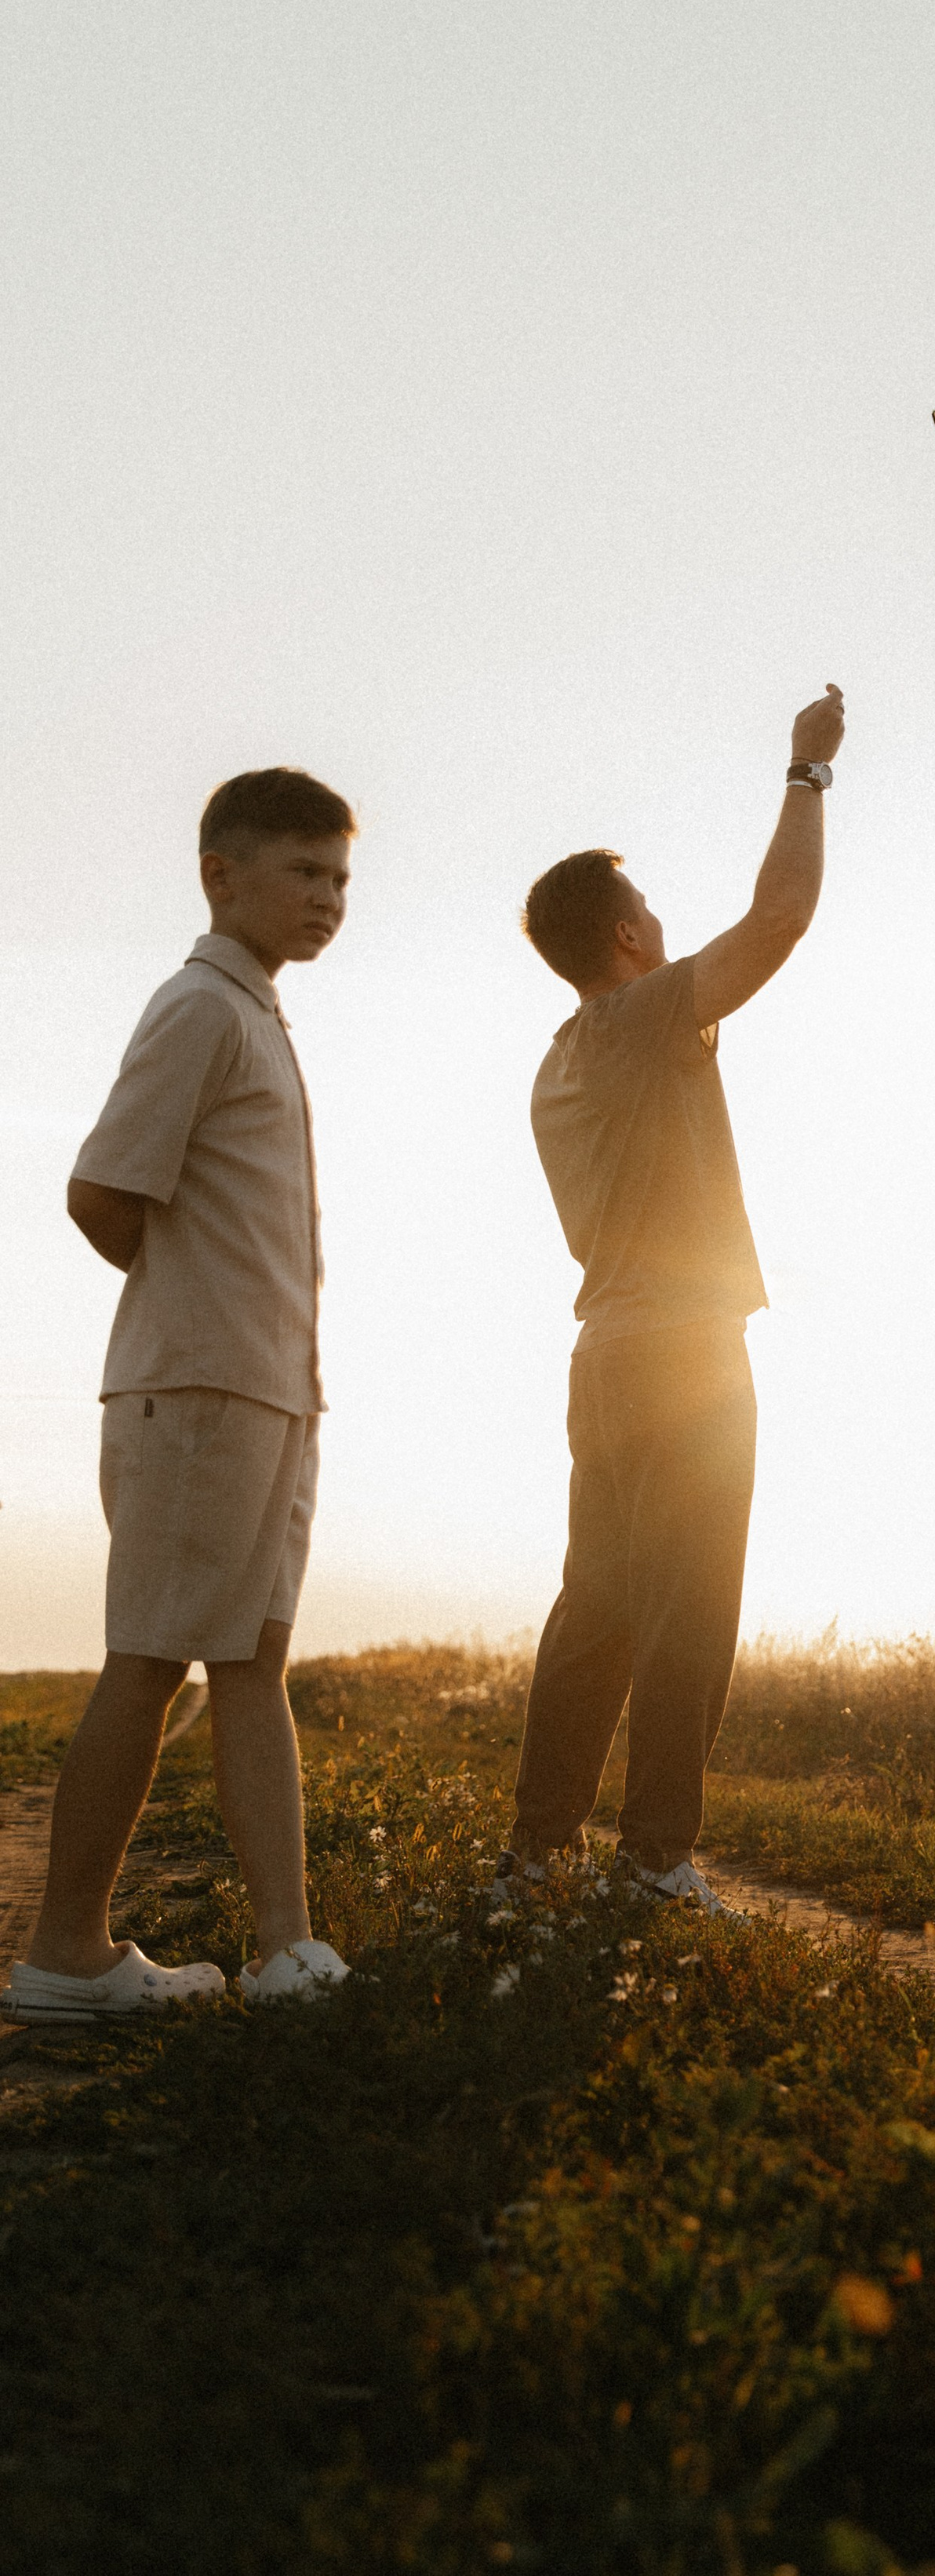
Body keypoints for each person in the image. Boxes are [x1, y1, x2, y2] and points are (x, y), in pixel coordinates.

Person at [4, 770, 358, 2024]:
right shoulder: (202, 1008)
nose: (328, 897)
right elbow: (102, 1190)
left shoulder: (258, 1014)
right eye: (303, 872)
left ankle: (284, 1950)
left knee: (253, 1660)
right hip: (198, 1389)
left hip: (265, 1395)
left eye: (340, 878)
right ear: (221, 872)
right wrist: (195, 1304)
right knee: (150, 1662)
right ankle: (65, 1953)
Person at [493, 683, 846, 1916]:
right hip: (687, 1355)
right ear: (629, 938)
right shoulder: (643, 1022)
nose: (663, 920)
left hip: (604, 1354)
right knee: (691, 1609)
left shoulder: (560, 1060)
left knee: (596, 1608)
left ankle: (539, 1855)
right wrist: (808, 772)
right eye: (649, 907)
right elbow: (782, 919)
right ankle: (654, 1867)